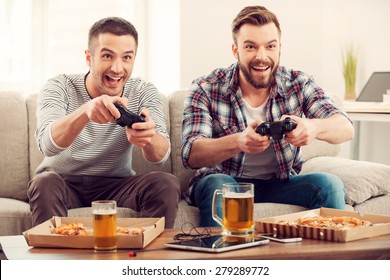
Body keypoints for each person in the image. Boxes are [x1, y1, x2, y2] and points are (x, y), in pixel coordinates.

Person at [181, 6, 354, 227]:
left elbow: (346, 128)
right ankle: (223, 259)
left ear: (279, 48)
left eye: (270, 46)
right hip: (224, 180)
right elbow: (191, 154)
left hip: (281, 182)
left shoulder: (298, 82)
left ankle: (330, 259)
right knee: (218, 185)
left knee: (328, 184)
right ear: (236, 50)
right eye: (250, 47)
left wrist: (313, 127)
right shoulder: (206, 87)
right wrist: (238, 141)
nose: (261, 57)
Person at [28, 17, 180, 228]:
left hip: (117, 186)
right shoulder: (59, 86)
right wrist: (85, 112)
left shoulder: (143, 91)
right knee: (44, 183)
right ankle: (54, 260)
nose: (117, 68)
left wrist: (148, 138)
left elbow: (160, 156)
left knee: (165, 183)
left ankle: (148, 260)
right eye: (107, 56)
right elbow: (47, 144)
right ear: (89, 58)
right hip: (63, 183)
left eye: (127, 57)